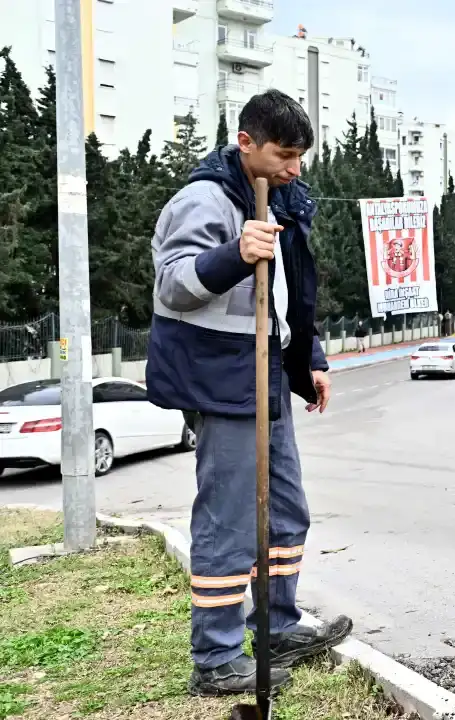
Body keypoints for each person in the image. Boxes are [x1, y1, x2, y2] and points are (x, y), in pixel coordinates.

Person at [146, 89, 352, 697]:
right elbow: (174, 285)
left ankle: (278, 626)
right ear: (245, 143)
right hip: (220, 379)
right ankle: (215, 657)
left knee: (287, 513)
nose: (295, 169)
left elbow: (292, 297)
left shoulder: (280, 197)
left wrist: (307, 360)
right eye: (285, 155)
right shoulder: (203, 200)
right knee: (230, 521)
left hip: (266, 374)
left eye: (300, 158)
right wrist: (236, 253)